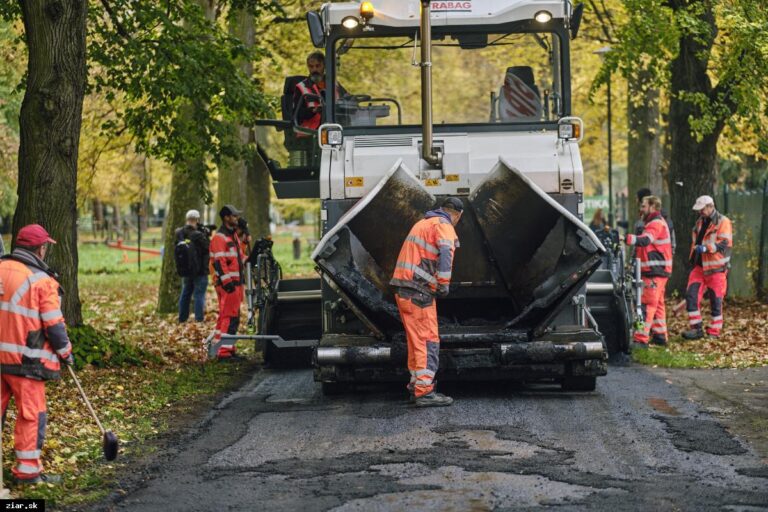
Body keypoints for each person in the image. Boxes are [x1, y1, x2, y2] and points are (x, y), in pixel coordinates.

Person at [0, 224, 74, 484]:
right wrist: (66, 353)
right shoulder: (43, 281)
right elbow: (54, 326)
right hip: (26, 361)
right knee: (31, 415)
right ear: (40, 249)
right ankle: (27, 473)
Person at [390, 197, 463, 407]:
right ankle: (424, 391)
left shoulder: (422, 223)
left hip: (404, 289)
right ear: (457, 215)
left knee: (415, 341)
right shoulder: (444, 225)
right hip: (419, 291)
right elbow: (447, 252)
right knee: (427, 340)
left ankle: (416, 384)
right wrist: (444, 283)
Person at [625, 196, 673, 348]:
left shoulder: (655, 224)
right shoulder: (655, 223)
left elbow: (645, 240)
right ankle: (660, 337)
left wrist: (624, 238)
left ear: (652, 207)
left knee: (646, 305)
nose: (641, 209)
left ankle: (641, 339)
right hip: (658, 270)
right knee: (657, 305)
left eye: (644, 206)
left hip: (654, 271)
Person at [683, 195, 732, 340]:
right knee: (691, 296)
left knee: (716, 301)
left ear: (711, 206)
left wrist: (706, 248)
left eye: (702, 209)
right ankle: (696, 329)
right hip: (699, 267)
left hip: (716, 268)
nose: (700, 212)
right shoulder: (699, 222)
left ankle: (714, 332)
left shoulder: (723, 222)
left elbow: (724, 244)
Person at [209, 205, 245, 359]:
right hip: (229, 285)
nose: (237, 218)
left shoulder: (233, 236)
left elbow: (239, 259)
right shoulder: (220, 237)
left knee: (229, 316)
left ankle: (222, 347)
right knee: (230, 317)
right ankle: (224, 352)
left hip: (235, 283)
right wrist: (227, 282)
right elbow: (219, 261)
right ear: (226, 218)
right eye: (234, 216)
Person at [292, 51, 346, 135]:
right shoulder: (301, 87)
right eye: (311, 66)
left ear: (324, 66)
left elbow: (347, 99)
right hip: (311, 133)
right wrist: (313, 111)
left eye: (318, 66)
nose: (314, 70)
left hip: (336, 128)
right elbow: (297, 115)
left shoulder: (334, 84)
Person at [175, 210, 210, 323]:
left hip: (186, 270)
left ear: (187, 220)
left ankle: (182, 318)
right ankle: (199, 320)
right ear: (197, 220)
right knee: (199, 295)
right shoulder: (199, 235)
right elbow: (207, 248)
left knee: (185, 293)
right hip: (200, 270)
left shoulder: (179, 233)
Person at [634, 188, 676, 253]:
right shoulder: (664, 217)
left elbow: (639, 243)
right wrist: (672, 251)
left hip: (651, 258)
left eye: (637, 198)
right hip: (664, 255)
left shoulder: (645, 223)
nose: (635, 200)